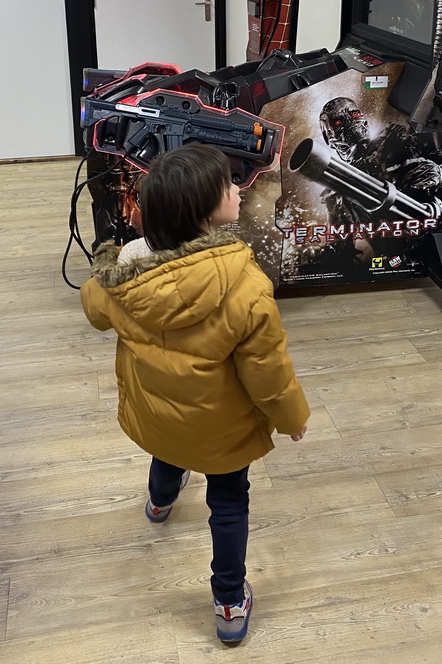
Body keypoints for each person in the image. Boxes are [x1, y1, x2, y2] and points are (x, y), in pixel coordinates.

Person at [80, 143, 309, 645]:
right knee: (228, 502)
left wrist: (113, 259)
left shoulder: (127, 275)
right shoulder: (245, 284)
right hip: (221, 430)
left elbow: (94, 308)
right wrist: (292, 417)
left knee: (169, 445)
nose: (236, 189)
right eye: (228, 185)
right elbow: (267, 370)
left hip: (158, 410)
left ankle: (160, 502)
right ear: (209, 213)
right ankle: (229, 602)